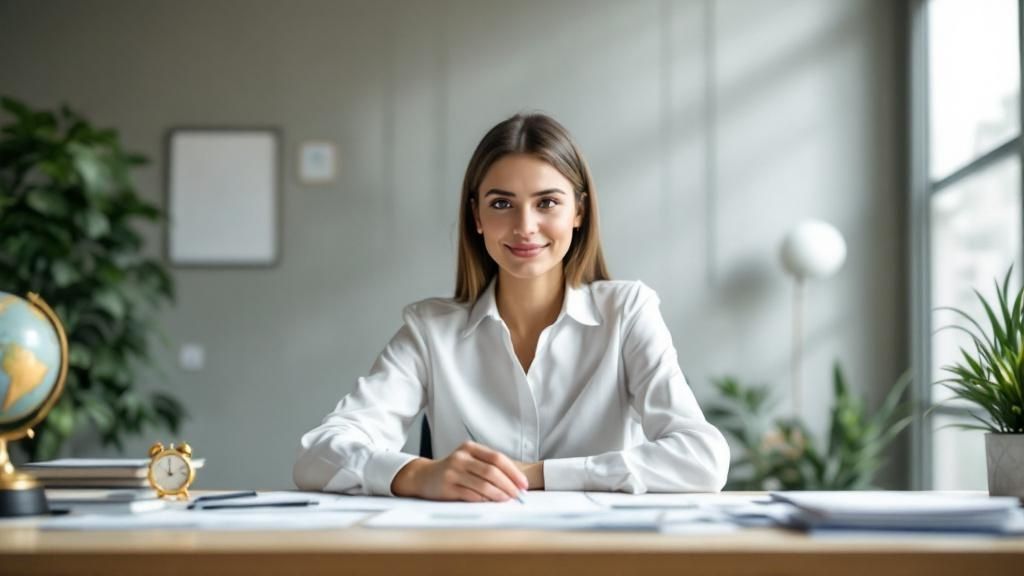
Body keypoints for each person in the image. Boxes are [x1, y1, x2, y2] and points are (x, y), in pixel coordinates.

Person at [293, 113, 729, 501]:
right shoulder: (431, 329)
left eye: (547, 203)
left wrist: (538, 476)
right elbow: (317, 455)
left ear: (579, 211)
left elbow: (703, 458)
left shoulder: (628, 311)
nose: (524, 227)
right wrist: (417, 474)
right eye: (501, 204)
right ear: (477, 217)